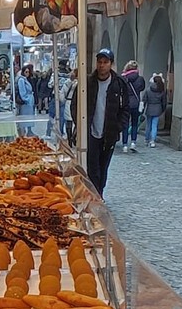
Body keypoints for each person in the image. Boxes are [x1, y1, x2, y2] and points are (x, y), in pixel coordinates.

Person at [71, 48, 129, 197]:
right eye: (99, 62)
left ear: (111, 64)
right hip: (90, 132)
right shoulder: (87, 83)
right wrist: (80, 125)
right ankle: (94, 196)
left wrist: (118, 127)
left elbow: (125, 108)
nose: (102, 65)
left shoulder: (119, 84)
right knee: (92, 167)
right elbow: (75, 104)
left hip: (109, 133)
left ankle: (99, 192)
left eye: (105, 62)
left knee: (103, 167)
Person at [121, 60, 145, 152]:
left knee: (125, 125)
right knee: (135, 124)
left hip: (126, 103)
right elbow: (142, 88)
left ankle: (124, 145)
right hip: (136, 103)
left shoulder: (124, 78)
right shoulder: (140, 79)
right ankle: (133, 143)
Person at [142, 74, 167, 148]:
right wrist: (163, 109)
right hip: (158, 108)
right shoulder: (161, 90)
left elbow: (144, 100)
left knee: (148, 125)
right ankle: (152, 141)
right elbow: (164, 102)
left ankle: (146, 139)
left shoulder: (148, 89)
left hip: (149, 108)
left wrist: (142, 109)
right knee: (154, 125)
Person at [17, 65, 36, 137]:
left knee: (29, 117)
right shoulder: (21, 80)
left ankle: (29, 131)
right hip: (26, 102)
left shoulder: (26, 79)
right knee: (25, 117)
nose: (27, 73)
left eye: (28, 72)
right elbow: (22, 91)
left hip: (29, 101)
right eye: (26, 72)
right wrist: (26, 99)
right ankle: (23, 132)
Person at [61, 68, 78, 147]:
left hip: (68, 102)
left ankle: (70, 141)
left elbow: (62, 96)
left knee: (69, 123)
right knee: (77, 122)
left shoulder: (67, 83)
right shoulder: (81, 83)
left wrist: (64, 101)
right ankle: (74, 138)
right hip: (78, 104)